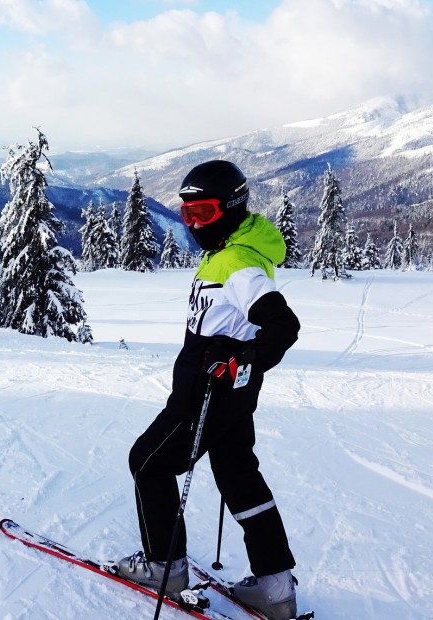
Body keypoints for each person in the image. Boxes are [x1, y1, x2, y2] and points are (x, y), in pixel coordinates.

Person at [114, 160, 302, 620]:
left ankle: (165, 570)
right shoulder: (231, 250)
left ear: (232, 208)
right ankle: (276, 589)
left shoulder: (237, 263)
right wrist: (243, 361)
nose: (194, 223)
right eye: (187, 215)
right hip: (234, 394)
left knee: (148, 462)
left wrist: (245, 356)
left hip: (205, 394)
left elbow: (282, 324)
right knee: (239, 477)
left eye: (204, 212)